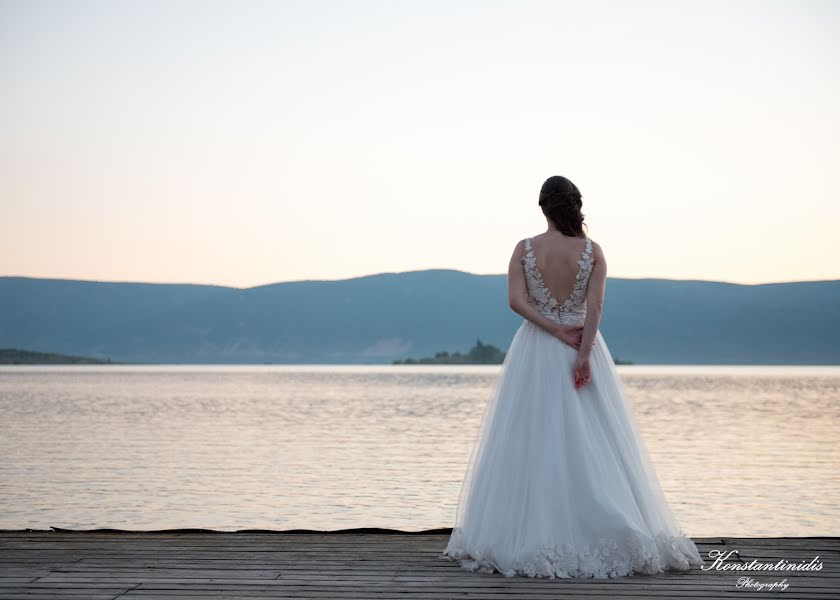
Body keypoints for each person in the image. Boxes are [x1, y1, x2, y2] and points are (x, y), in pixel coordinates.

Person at [440, 175, 703, 578]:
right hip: (584, 345)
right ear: (575, 205)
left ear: (542, 206)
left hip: (536, 349)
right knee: (595, 440)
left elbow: (515, 301)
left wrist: (553, 329)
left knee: (530, 438)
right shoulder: (593, 251)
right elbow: (594, 308)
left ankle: (523, 530)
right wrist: (582, 354)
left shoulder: (525, 249)